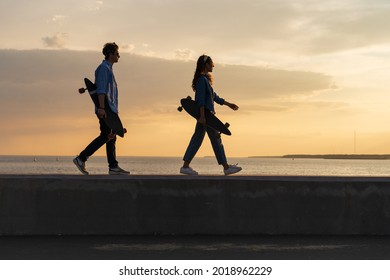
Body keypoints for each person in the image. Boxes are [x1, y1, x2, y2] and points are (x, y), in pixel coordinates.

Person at [73, 42, 129, 175]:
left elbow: (99, 87)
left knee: (111, 136)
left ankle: (113, 166)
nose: (119, 56)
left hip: (109, 109)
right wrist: (102, 108)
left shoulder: (107, 68)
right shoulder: (104, 68)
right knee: (106, 136)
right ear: (110, 54)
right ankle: (81, 158)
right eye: (117, 53)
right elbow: (102, 90)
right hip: (105, 109)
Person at [180, 55, 242, 176]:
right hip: (206, 116)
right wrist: (202, 117)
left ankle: (185, 166)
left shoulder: (205, 80)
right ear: (205, 64)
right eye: (211, 63)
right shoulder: (202, 81)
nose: (213, 66)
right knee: (216, 140)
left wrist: (229, 104)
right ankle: (226, 167)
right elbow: (200, 100)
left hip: (206, 116)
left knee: (198, 139)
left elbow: (214, 97)